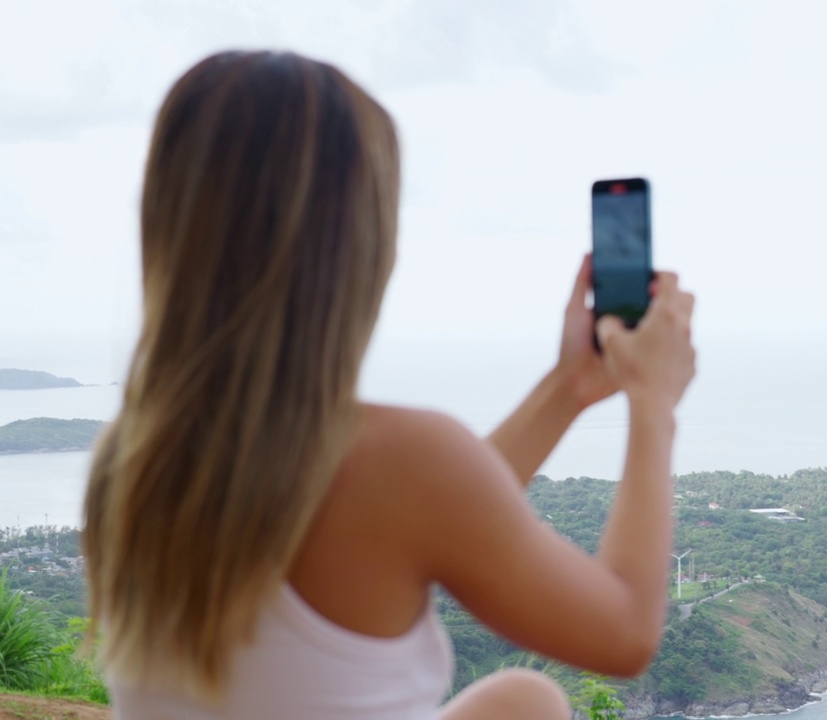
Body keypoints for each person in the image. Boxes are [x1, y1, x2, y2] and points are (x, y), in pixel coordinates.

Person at [82, 50, 696, 719]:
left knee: (520, 698)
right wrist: (652, 402)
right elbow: (625, 632)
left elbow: (425, 508)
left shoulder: (129, 457)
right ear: (358, 248)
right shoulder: (399, 461)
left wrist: (568, 387)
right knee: (534, 702)